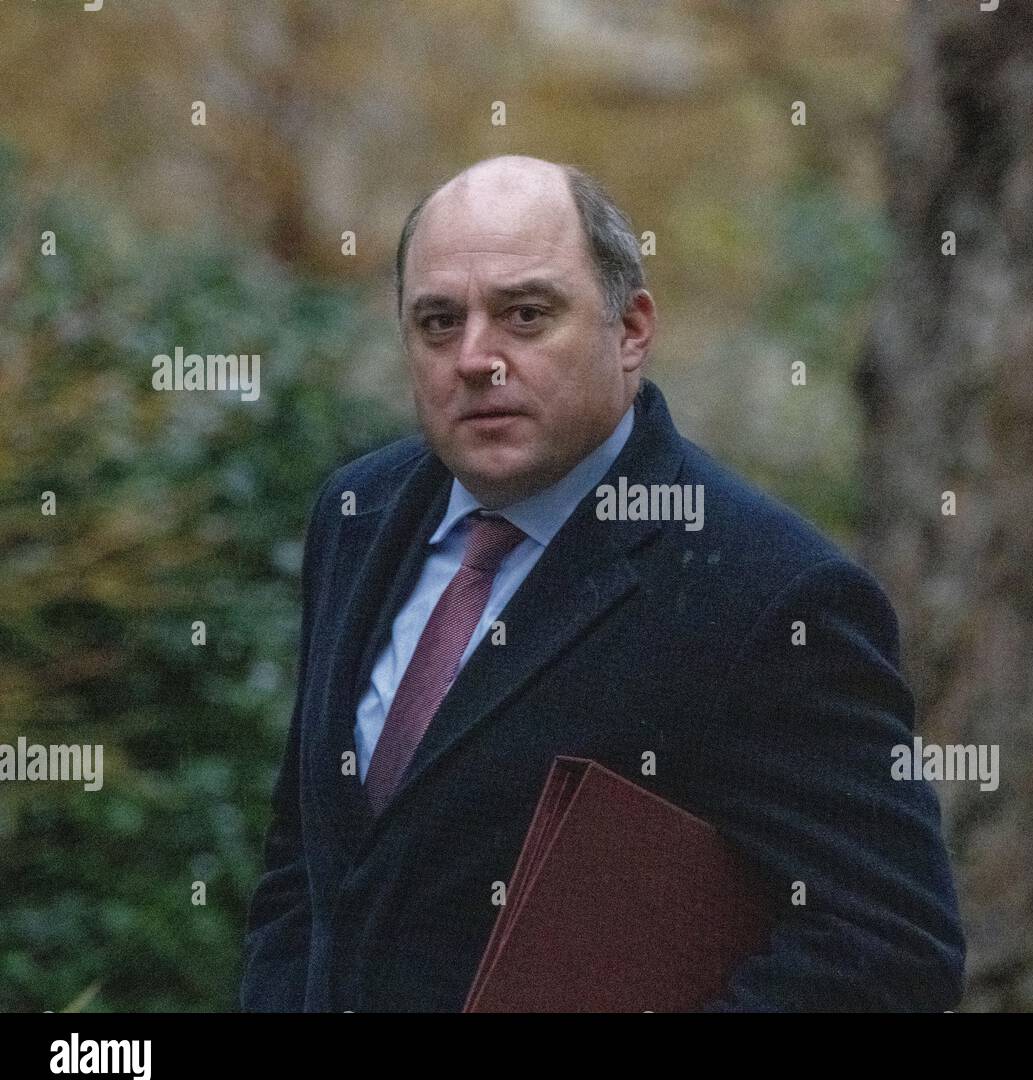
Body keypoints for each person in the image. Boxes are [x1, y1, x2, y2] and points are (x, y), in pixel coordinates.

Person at [238, 154, 964, 1011]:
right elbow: (310, 858)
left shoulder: (772, 593)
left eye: (526, 314)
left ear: (631, 330)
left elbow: (891, 945)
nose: (477, 358)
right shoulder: (357, 515)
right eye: (438, 322)